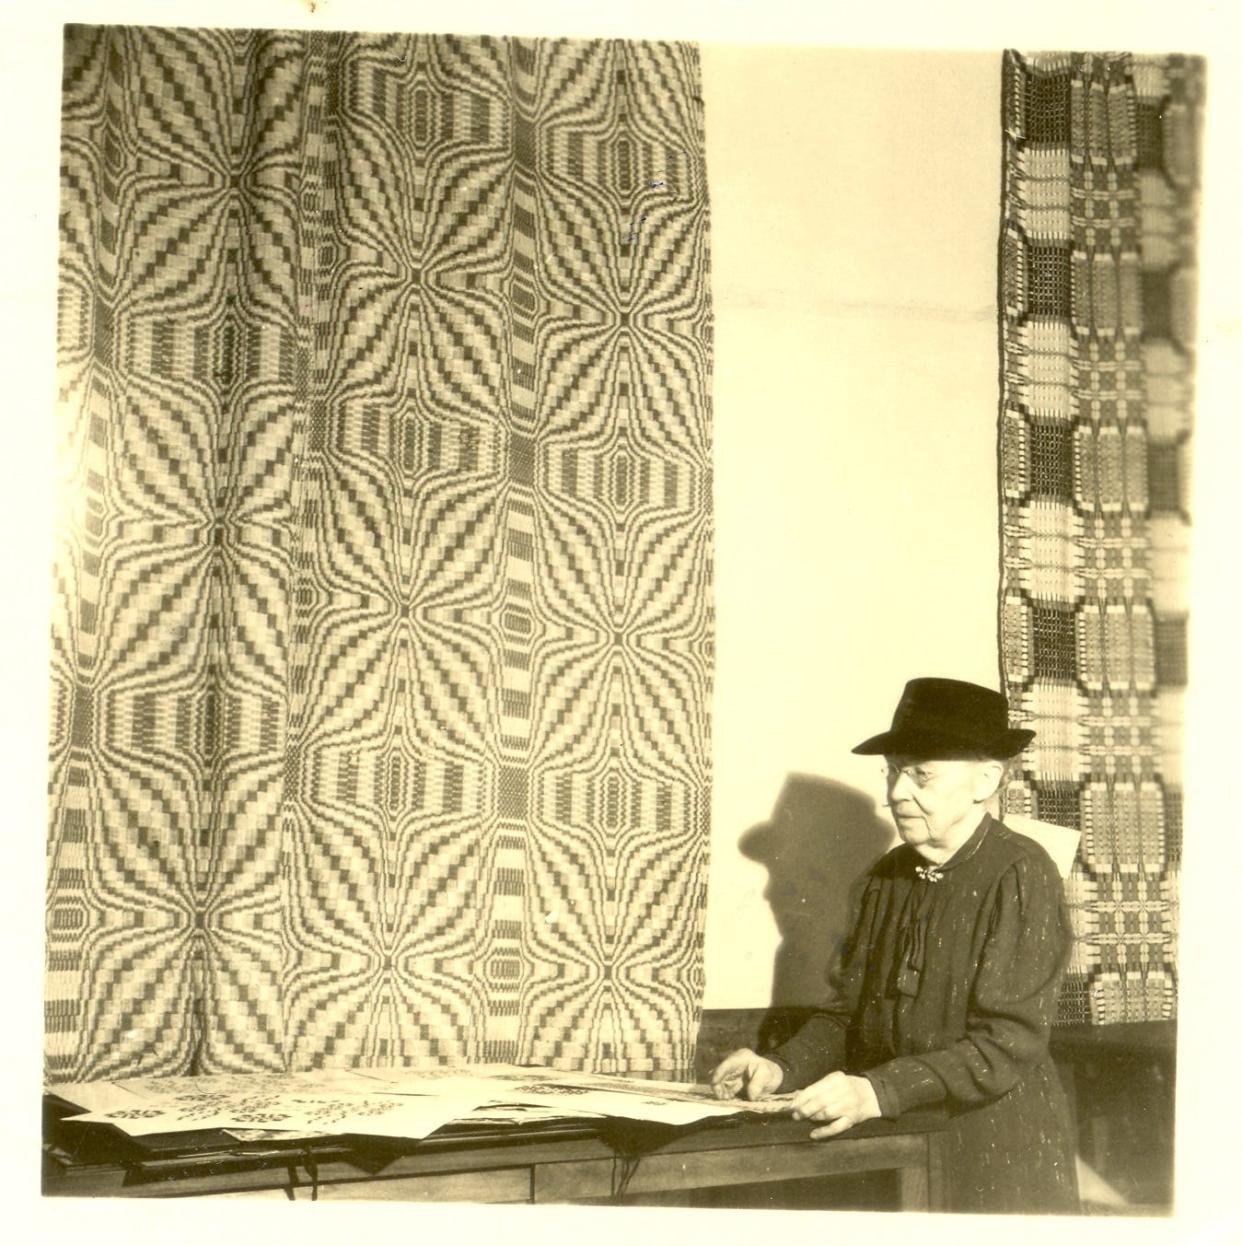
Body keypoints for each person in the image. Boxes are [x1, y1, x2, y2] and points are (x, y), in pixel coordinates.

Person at [710, 677, 1079, 1214]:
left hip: (996, 1153)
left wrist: (875, 1091)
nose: (897, 793)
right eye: (893, 772)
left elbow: (1006, 1043)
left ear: (986, 779)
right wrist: (779, 1069)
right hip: (900, 1148)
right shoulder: (887, 877)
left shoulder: (1022, 874)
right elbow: (845, 1018)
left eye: (921, 775)